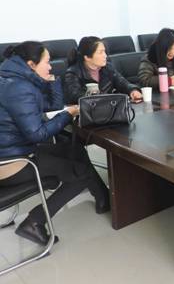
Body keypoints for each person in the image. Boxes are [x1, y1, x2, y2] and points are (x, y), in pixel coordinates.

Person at [0, 42, 109, 245]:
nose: (51, 66)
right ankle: (34, 222)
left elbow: (51, 107)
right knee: (80, 172)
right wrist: (68, 115)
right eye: (47, 62)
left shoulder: (13, 80)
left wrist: (53, 83)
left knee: (74, 149)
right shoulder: (19, 88)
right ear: (31, 64)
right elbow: (38, 134)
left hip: (14, 151)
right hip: (11, 163)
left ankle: (103, 198)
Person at [64, 37, 142, 105]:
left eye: (104, 51)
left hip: (108, 109)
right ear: (87, 57)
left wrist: (133, 90)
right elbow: (76, 96)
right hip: (87, 113)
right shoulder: (73, 73)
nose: (105, 55)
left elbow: (122, 82)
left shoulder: (108, 67)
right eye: (100, 52)